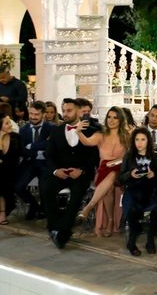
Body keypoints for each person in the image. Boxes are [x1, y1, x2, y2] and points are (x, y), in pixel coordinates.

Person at [43, 98, 97, 249]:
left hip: (81, 174)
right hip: (60, 173)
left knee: (76, 196)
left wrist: (82, 171)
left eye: (69, 110)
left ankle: (62, 232)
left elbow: (94, 157)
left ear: (79, 111)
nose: (65, 114)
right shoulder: (57, 131)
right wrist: (56, 171)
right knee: (46, 188)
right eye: (64, 110)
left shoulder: (91, 131)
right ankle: (54, 227)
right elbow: (50, 155)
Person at [75, 107, 130, 237]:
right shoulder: (101, 134)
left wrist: (121, 160)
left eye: (115, 117)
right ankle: (110, 221)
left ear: (121, 119)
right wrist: (78, 132)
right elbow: (87, 142)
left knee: (112, 174)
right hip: (104, 169)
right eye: (109, 117)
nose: (111, 120)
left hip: (121, 169)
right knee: (109, 186)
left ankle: (88, 208)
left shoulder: (127, 135)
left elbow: (132, 154)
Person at [119, 127, 157, 256]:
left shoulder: (155, 156)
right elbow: (120, 178)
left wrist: (152, 175)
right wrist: (130, 175)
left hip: (150, 191)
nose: (140, 143)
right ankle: (131, 242)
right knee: (132, 209)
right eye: (137, 139)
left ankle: (150, 240)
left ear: (148, 141)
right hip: (133, 190)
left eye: (143, 139)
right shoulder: (128, 156)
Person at [15, 101, 53, 220]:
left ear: (43, 115)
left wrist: (32, 146)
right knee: (18, 187)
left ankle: (44, 209)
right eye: (31, 113)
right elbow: (22, 150)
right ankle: (34, 205)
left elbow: (51, 145)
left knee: (44, 187)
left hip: (46, 163)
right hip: (29, 162)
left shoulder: (52, 128)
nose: (33, 117)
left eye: (36, 114)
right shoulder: (23, 129)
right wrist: (41, 146)